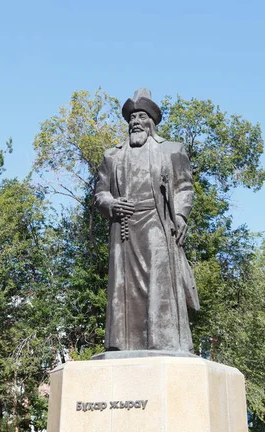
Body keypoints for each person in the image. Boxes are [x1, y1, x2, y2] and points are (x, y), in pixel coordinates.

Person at [95, 88, 199, 354]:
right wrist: (111, 204)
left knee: (160, 286)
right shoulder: (113, 156)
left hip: (158, 226)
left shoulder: (171, 151)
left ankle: (162, 344)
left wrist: (180, 216)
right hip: (124, 230)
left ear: (151, 121)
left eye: (141, 116)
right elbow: (100, 193)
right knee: (123, 291)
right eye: (131, 118)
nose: (135, 122)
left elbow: (185, 187)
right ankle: (123, 345)